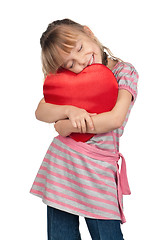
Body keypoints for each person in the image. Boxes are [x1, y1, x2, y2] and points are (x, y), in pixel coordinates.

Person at [30, 18, 138, 240]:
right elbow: (41, 111)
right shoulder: (71, 80)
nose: (80, 61)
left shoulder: (124, 72)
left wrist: (66, 126)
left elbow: (115, 119)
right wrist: (70, 110)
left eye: (79, 48)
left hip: (99, 172)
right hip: (62, 166)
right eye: (70, 64)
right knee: (62, 236)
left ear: (88, 33)